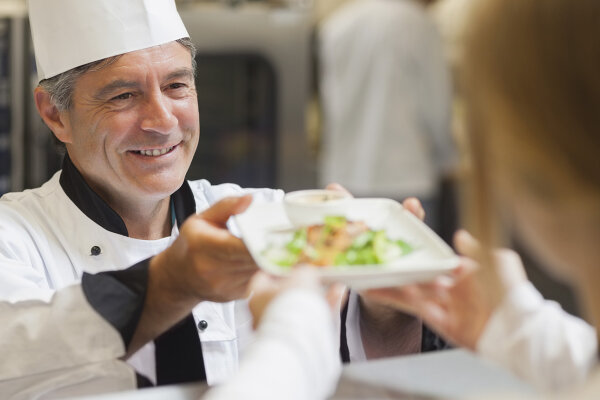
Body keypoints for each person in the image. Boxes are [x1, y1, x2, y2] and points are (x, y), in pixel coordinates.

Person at [0, 0, 423, 397]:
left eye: (176, 85)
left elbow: (355, 363)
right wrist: (170, 285)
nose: (163, 121)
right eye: (123, 95)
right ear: (56, 114)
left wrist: (388, 306)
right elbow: (17, 356)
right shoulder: (14, 239)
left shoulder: (265, 218)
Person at [362, 0, 600, 395]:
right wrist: (521, 328)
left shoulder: (341, 25)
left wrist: (290, 342)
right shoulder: (419, 26)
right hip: (412, 170)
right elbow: (437, 113)